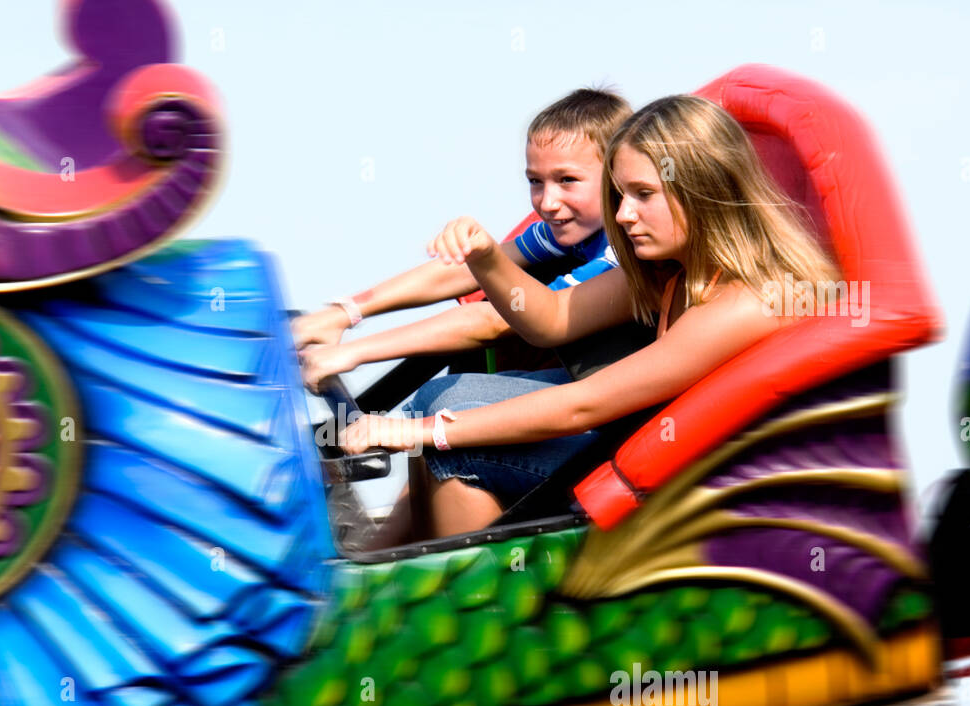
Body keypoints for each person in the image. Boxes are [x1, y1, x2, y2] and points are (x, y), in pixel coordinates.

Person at [339, 95, 840, 539]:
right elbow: (552, 317)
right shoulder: (676, 271)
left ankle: (472, 601)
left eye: (643, 195)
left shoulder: (750, 301)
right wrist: (485, 257)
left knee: (454, 445)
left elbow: (585, 405)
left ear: (702, 187)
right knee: (443, 403)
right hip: (653, 454)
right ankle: (397, 568)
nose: (622, 215)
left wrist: (423, 431)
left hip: (700, 503)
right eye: (620, 195)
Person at [294, 87, 634, 394]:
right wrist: (344, 312)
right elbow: (468, 269)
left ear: (617, 176)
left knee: (445, 398)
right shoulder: (575, 227)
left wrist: (352, 353)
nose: (547, 202)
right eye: (535, 181)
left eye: (567, 180)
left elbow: (495, 320)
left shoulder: (620, 251)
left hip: (617, 394)